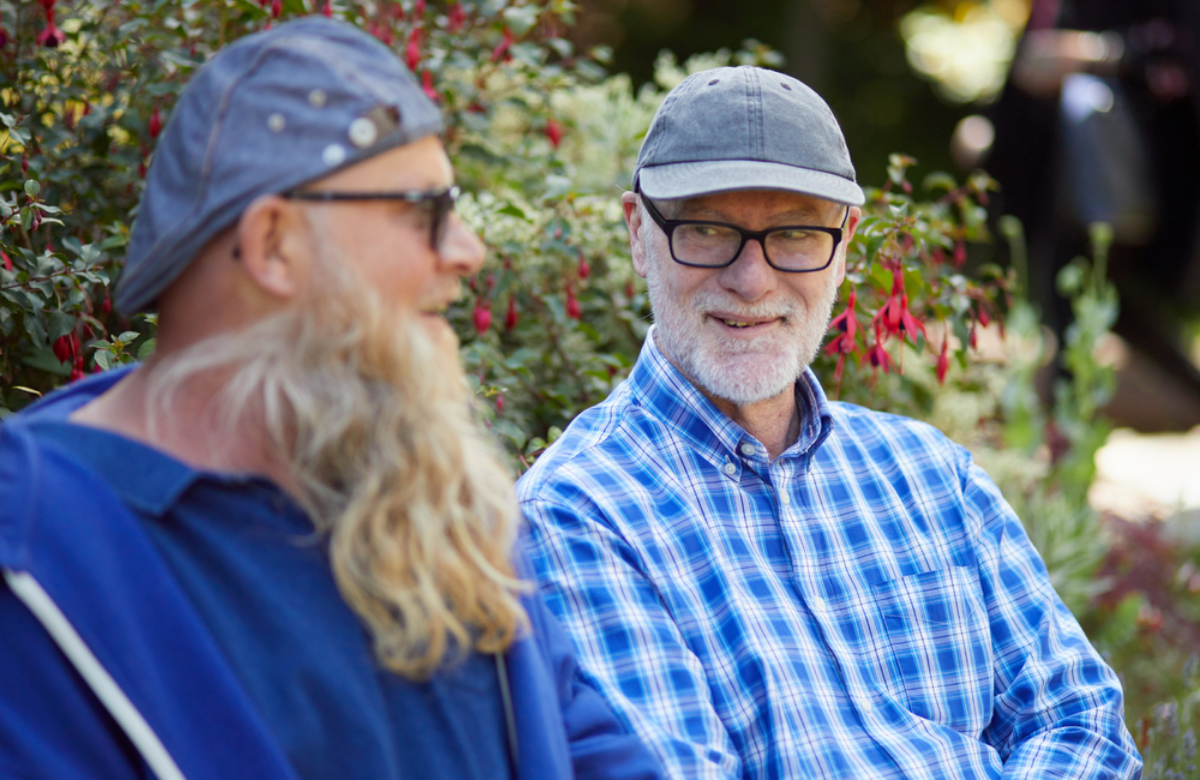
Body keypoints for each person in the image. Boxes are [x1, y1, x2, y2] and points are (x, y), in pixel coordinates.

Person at [0, 17, 663, 780]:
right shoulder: (41, 572)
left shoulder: (442, 506)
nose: (468, 250)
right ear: (275, 243)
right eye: (426, 210)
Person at [517, 66, 1142, 780]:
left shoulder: (930, 475)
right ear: (638, 230)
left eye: (795, 235)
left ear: (844, 244)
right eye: (708, 229)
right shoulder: (577, 514)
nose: (752, 280)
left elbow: (1081, 722)